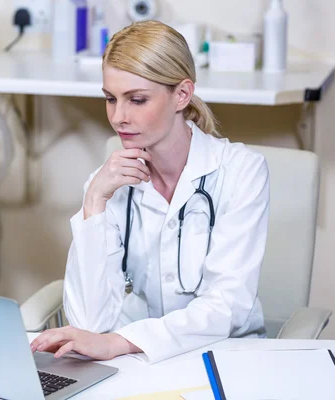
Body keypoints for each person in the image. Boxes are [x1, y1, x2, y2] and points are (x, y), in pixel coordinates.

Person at [30, 20, 270, 364]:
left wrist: (121, 341)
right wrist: (94, 203)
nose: (118, 117)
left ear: (182, 95)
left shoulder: (241, 172)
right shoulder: (107, 183)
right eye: (111, 99)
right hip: (136, 367)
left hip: (225, 358)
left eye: (137, 100)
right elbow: (88, 324)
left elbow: (225, 306)